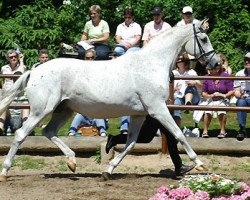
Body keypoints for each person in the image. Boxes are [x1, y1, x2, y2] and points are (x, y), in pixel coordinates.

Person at [106, 115, 194, 177]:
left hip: (155, 113)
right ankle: (179, 166)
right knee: (168, 135)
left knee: (145, 138)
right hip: (156, 112)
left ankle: (114, 139)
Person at [0, 50, 29, 135]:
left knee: (25, 105)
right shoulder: (4, 68)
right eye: (11, 57)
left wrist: (21, 61)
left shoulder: (22, 66)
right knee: (3, 105)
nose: (13, 58)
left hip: (19, 95)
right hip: (7, 96)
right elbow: (3, 81)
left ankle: (25, 130)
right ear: (8, 59)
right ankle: (0, 129)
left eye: (15, 56)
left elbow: (21, 74)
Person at [201, 65, 234, 138]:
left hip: (223, 98)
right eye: (208, 69)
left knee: (221, 109)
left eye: (211, 69)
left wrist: (223, 95)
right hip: (211, 98)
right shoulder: (207, 77)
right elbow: (203, 93)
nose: (209, 71)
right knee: (208, 111)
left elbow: (231, 91)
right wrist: (211, 96)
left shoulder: (225, 76)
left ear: (217, 69)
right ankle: (205, 131)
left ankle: (222, 131)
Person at [172, 54, 201, 126]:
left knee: (190, 88)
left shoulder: (191, 72)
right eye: (178, 59)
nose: (179, 61)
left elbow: (200, 87)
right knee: (176, 105)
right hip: (178, 96)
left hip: (193, 98)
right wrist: (174, 89)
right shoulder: (173, 73)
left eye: (181, 59)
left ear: (185, 61)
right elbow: (168, 89)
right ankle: (177, 130)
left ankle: (187, 104)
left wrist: (194, 83)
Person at [234, 52, 250, 141]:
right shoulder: (239, 74)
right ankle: (242, 129)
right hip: (244, 97)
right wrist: (240, 95)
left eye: (249, 60)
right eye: (245, 60)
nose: (247, 62)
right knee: (240, 102)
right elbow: (236, 90)